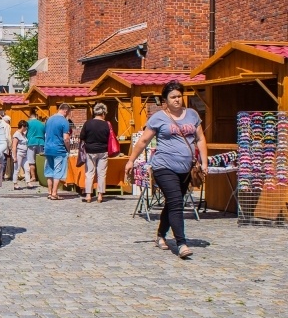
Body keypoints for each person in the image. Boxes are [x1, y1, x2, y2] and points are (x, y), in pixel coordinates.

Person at [125, 81, 208, 258]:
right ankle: (181, 243)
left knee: (173, 202)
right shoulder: (158, 118)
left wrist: (204, 161)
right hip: (164, 166)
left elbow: (200, 139)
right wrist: (131, 160)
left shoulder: (192, 115)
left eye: (179, 96)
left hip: (186, 168)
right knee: (176, 201)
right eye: (173, 97)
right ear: (166, 100)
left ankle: (161, 234)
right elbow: (143, 141)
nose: (177, 100)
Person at [79, 102, 111, 203]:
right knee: (101, 173)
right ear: (104, 113)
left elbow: (82, 137)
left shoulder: (88, 123)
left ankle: (88, 195)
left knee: (89, 173)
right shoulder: (106, 124)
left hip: (90, 151)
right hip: (103, 151)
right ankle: (100, 195)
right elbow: (109, 138)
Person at [43, 103, 72, 200]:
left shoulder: (49, 119)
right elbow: (66, 139)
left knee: (49, 171)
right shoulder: (64, 121)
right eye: (68, 113)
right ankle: (54, 193)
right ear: (65, 111)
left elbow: (46, 134)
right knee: (57, 171)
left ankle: (49, 192)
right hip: (59, 149)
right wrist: (68, 149)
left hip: (47, 148)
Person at [25, 111, 45, 188]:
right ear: (36, 116)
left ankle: (33, 177)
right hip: (41, 142)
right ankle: (41, 176)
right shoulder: (41, 124)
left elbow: (25, 133)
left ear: (30, 117)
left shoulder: (28, 123)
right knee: (40, 160)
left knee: (31, 161)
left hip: (31, 142)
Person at [11, 120, 30, 191]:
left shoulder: (23, 134)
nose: (26, 129)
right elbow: (14, 146)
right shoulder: (16, 134)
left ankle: (28, 182)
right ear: (22, 126)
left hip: (25, 153)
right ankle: (15, 183)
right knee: (17, 169)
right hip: (19, 153)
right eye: (26, 127)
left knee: (27, 168)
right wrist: (14, 157)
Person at [0, 114, 13, 180]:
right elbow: (8, 137)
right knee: (3, 161)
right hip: (4, 145)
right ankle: (1, 176)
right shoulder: (7, 126)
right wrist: (10, 146)